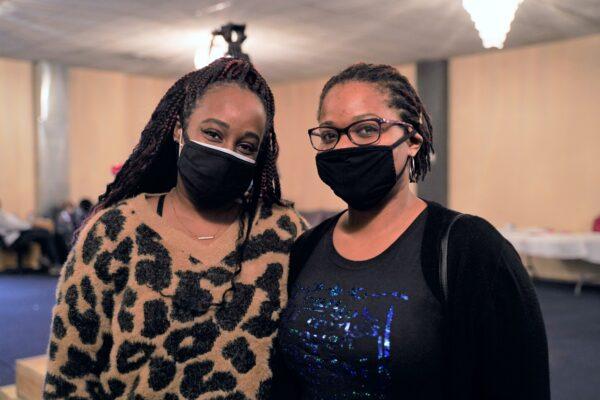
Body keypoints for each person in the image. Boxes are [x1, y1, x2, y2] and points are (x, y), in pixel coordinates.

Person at [274, 63, 549, 400]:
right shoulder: (307, 248)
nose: (343, 148)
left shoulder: (470, 248)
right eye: (330, 134)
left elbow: (520, 383)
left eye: (365, 129)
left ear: (413, 140)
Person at [43, 58, 306, 399]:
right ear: (179, 129)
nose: (227, 152)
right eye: (213, 133)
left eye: (245, 146)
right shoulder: (115, 232)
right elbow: (69, 376)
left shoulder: (284, 233)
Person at [0, 198, 60, 271]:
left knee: (44, 234)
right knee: (44, 233)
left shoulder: (3, 213)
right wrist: (31, 224)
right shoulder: (1, 215)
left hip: (19, 234)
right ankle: (53, 261)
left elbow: (18, 223)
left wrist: (29, 225)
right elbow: (16, 225)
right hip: (13, 240)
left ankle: (47, 260)